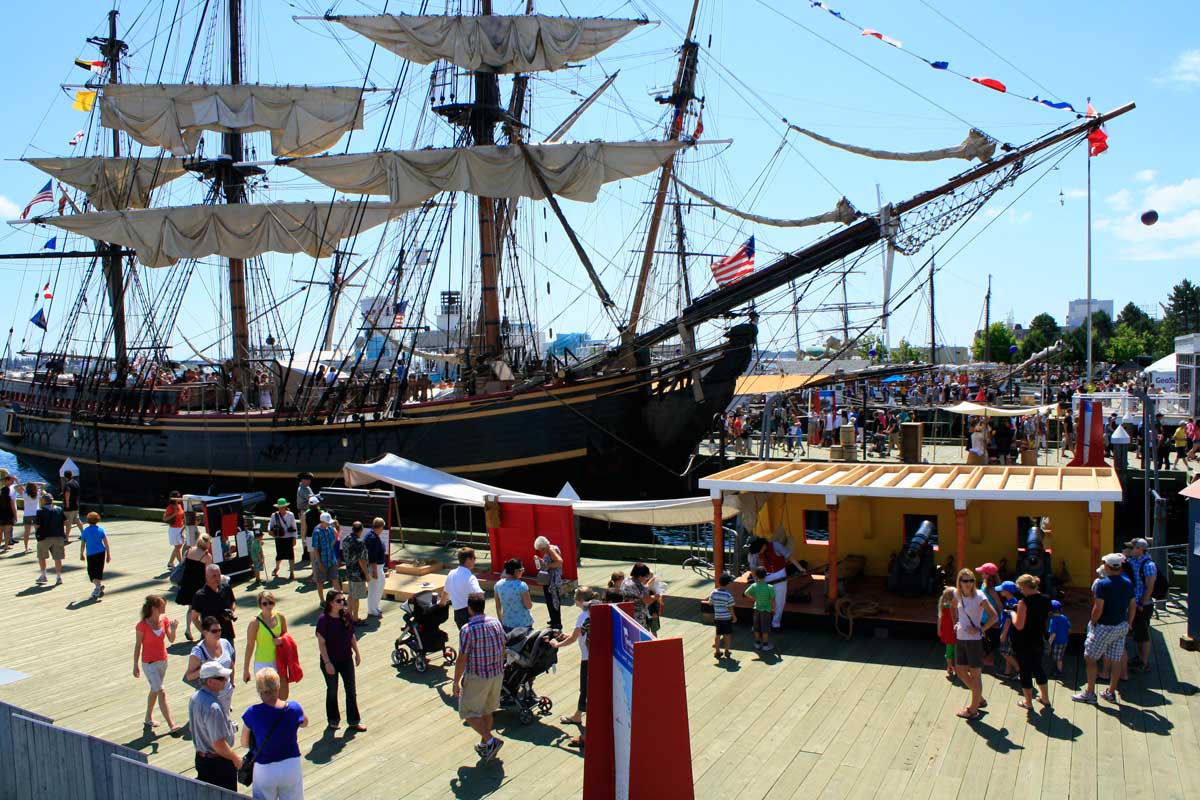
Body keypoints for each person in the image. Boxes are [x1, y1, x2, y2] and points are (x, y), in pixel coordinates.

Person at [1073, 553, 1137, 704]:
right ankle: (1111, 692)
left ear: (1107, 566)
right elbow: (1133, 605)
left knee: (1090, 657)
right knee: (1116, 659)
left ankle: (1089, 693)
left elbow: (1098, 607)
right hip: (1121, 625)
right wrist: (1129, 623)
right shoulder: (1128, 582)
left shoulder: (1103, 584)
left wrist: (1093, 622)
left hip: (1104, 626)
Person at [452, 592, 507, 761]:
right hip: (497, 673)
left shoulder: (467, 630)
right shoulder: (496, 623)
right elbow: (504, 645)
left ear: (469, 609)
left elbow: (462, 658)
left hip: (478, 676)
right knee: (487, 710)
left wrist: (455, 682)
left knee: (468, 712)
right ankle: (485, 745)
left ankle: (490, 740)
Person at [241, 667, 307, 800]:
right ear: (278, 686)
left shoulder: (253, 712)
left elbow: (244, 743)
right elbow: (304, 722)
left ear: (260, 690)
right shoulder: (293, 708)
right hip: (290, 764)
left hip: (265, 769)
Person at [551, 587, 595, 748]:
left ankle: (580, 719)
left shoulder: (583, 615)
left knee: (585, 688)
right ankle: (577, 714)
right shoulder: (591, 613)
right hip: (590, 656)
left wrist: (557, 644)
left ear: (580, 601)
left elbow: (575, 637)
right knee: (585, 688)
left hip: (588, 658)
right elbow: (579, 634)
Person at [315, 590, 364, 730]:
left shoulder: (346, 616)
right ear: (330, 603)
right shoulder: (323, 620)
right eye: (338, 601)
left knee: (351, 690)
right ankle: (333, 720)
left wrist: (357, 653)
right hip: (330, 661)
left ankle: (354, 721)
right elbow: (321, 644)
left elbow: (351, 636)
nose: (342, 603)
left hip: (346, 659)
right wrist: (327, 663)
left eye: (343, 600)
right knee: (332, 690)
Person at [189, 661, 241, 790]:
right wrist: (236, 759)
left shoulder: (195, 698)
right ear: (210, 682)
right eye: (221, 678)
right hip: (219, 763)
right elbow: (218, 744)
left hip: (202, 759)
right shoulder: (214, 707)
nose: (226, 680)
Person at [952, 568, 995, 719]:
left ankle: (973, 709)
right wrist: (956, 623)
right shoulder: (957, 594)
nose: (969, 584)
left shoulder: (979, 596)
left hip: (974, 641)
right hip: (961, 638)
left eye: (971, 580)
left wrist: (981, 630)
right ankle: (979, 699)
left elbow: (993, 616)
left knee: (975, 675)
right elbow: (954, 610)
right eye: (965, 581)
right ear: (960, 582)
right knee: (961, 671)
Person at [133, 594, 180, 731]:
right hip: (149, 663)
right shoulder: (142, 626)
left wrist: (174, 628)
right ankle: (172, 725)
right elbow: (138, 646)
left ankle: (148, 718)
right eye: (162, 605)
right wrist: (135, 665)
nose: (165, 606)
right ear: (154, 608)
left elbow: (171, 639)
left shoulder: (164, 620)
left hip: (162, 661)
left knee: (155, 689)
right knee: (161, 691)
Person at [1009, 574, 1052, 712]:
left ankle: (1028, 702)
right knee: (1038, 667)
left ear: (1027, 587)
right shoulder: (1046, 599)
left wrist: (1012, 613)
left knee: (1025, 671)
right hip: (1037, 639)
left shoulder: (1024, 603)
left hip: (1023, 641)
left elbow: (1019, 625)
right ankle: (1045, 698)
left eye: (1021, 588)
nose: (1021, 592)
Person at [243, 591, 291, 700]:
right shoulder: (255, 623)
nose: (268, 606)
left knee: (283, 696)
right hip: (263, 663)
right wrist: (246, 670)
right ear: (260, 605)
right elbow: (250, 646)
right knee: (268, 698)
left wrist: (281, 639)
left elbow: (286, 636)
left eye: (271, 602)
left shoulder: (280, 617)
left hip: (279, 661)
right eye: (265, 603)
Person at [187, 615, 237, 714]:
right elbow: (189, 676)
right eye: (214, 631)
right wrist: (204, 668)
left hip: (226, 691)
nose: (218, 633)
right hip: (209, 697)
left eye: (219, 630)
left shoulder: (225, 643)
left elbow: (231, 664)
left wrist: (232, 682)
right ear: (205, 632)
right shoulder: (198, 652)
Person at [1125, 537, 1157, 673]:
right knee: (1138, 634)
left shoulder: (1149, 565)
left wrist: (1142, 603)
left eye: (1132, 548)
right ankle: (1139, 658)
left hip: (1143, 605)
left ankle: (1144, 663)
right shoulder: (1133, 560)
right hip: (1134, 603)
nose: (1130, 549)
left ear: (1140, 549)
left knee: (1143, 635)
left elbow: (1150, 587)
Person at [177, 533, 215, 640]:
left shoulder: (189, 551)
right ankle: (203, 632)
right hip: (199, 585)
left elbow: (182, 564)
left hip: (187, 583)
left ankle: (188, 629)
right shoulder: (207, 556)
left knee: (190, 608)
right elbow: (209, 573)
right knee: (202, 609)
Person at [192, 563, 238, 643]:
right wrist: (205, 633)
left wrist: (231, 612)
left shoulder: (226, 588)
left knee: (231, 655)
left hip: (228, 633)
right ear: (206, 577)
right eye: (214, 576)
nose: (217, 578)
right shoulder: (200, 595)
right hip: (212, 638)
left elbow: (233, 602)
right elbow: (194, 618)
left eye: (219, 575)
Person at [442, 547, 483, 629]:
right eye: (474, 558)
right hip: (471, 613)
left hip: (458, 615)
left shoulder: (451, 573)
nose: (475, 560)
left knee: (465, 638)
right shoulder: (470, 577)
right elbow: (479, 594)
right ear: (468, 559)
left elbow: (446, 592)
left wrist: (441, 604)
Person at [34, 492, 66, 586]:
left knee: (42, 557)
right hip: (58, 536)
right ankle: (59, 577)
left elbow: (37, 525)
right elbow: (65, 522)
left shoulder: (40, 511)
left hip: (44, 537)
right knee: (58, 558)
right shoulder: (59, 509)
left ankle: (43, 575)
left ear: (44, 501)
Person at [494, 558, 534, 631]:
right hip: (523, 623)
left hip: (507, 623)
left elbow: (498, 605)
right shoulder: (522, 585)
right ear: (516, 571)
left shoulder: (498, 585)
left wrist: (500, 619)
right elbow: (528, 606)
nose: (522, 572)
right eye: (521, 570)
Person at [533, 535, 564, 630]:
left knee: (553, 600)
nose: (541, 551)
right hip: (551, 579)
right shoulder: (551, 548)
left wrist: (548, 566)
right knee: (551, 600)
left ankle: (557, 622)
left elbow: (559, 562)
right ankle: (554, 620)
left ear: (544, 546)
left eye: (541, 549)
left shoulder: (550, 550)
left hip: (552, 580)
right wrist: (540, 560)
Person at [309, 513, 341, 604]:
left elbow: (336, 535)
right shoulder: (317, 532)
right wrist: (319, 563)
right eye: (327, 523)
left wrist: (331, 546)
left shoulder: (330, 528)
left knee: (335, 579)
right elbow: (315, 549)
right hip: (322, 560)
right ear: (322, 522)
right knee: (320, 581)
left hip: (331, 559)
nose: (329, 524)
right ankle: (322, 601)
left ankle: (339, 599)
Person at [78, 511, 111, 600]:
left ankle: (98, 587)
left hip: (91, 554)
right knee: (99, 570)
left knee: (91, 571)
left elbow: (82, 544)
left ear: (88, 520)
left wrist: (81, 554)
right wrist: (108, 555)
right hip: (101, 553)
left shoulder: (85, 531)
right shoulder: (101, 530)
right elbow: (106, 543)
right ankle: (98, 587)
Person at [342, 521, 369, 623]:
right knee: (356, 597)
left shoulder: (346, 539)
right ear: (361, 530)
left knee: (351, 594)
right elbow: (361, 560)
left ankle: (349, 614)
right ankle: (355, 618)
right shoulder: (360, 543)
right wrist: (366, 574)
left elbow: (344, 555)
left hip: (349, 570)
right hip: (358, 573)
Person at [620, 563, 658, 632]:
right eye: (646, 577)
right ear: (640, 576)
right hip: (637, 619)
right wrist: (657, 595)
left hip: (626, 616)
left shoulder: (626, 581)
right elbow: (647, 600)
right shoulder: (637, 586)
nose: (646, 579)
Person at [744, 566, 774, 652]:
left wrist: (755, 599)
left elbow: (746, 593)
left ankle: (757, 643)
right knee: (765, 628)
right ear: (765, 576)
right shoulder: (770, 587)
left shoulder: (754, 585)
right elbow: (772, 600)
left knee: (756, 627)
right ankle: (765, 645)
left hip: (757, 609)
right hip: (766, 610)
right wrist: (773, 609)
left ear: (756, 576)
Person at [269, 498, 298, 581]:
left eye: (283, 507)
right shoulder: (274, 515)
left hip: (289, 537)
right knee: (279, 555)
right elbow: (271, 525)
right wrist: (270, 531)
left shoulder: (290, 515)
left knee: (291, 556)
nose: (281, 509)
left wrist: (294, 538)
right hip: (279, 537)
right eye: (280, 507)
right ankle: (277, 568)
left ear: (285, 507)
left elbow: (294, 527)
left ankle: (292, 572)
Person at [365, 517, 388, 619]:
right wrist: (374, 571)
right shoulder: (372, 538)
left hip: (380, 567)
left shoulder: (374, 536)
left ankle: (375, 606)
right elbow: (372, 556)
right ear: (380, 527)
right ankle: (371, 610)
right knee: (373, 589)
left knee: (381, 585)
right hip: (375, 567)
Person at [709, 573, 735, 660]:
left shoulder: (713, 592)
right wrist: (734, 616)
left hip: (718, 617)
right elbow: (730, 607)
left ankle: (717, 651)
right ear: (727, 584)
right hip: (726, 618)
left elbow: (710, 603)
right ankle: (727, 650)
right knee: (727, 635)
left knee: (718, 634)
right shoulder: (728, 595)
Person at [937, 586, 957, 680]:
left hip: (948, 633)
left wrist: (939, 630)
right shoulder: (956, 607)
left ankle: (950, 667)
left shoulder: (943, 606)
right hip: (956, 633)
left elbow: (940, 619)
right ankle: (957, 669)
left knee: (949, 651)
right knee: (957, 651)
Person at [1047, 600, 1071, 676]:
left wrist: (1049, 644)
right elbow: (1069, 628)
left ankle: (1059, 671)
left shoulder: (1053, 621)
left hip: (1058, 642)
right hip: (1064, 640)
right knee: (1059, 654)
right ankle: (1057, 667)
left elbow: (1053, 634)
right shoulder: (1064, 617)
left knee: (1058, 657)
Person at [164, 492, 186, 571]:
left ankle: (171, 562)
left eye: (179, 496)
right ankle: (181, 564)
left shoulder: (179, 505)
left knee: (178, 546)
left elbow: (181, 516)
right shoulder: (170, 507)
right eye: (177, 496)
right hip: (174, 529)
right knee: (177, 547)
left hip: (180, 528)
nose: (179, 497)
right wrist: (174, 513)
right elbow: (165, 519)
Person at [296, 472, 314, 564]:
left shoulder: (307, 488)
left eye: (309, 480)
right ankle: (306, 553)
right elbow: (311, 499)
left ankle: (308, 552)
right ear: (303, 480)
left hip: (308, 512)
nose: (309, 481)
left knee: (309, 532)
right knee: (305, 533)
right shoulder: (302, 489)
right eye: (307, 480)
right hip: (304, 512)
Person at [20, 481, 41, 554]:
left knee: (27, 532)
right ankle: (40, 545)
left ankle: (26, 547)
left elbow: (16, 487)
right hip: (36, 514)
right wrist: (37, 484)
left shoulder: (25, 495)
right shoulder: (37, 494)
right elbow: (44, 485)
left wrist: (23, 484)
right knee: (38, 531)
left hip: (27, 515)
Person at [61, 469, 80, 540]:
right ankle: (83, 533)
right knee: (77, 520)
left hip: (70, 506)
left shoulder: (68, 484)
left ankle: (66, 537)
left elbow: (67, 493)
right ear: (71, 475)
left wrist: (67, 503)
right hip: (76, 504)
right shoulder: (76, 482)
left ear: (65, 477)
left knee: (68, 521)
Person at [0, 473, 15, 551]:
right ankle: (6, 546)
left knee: (1, 531)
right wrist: (15, 516)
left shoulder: (1, 497)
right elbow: (13, 507)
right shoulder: (10, 498)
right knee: (7, 532)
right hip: (9, 515)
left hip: (1, 515)